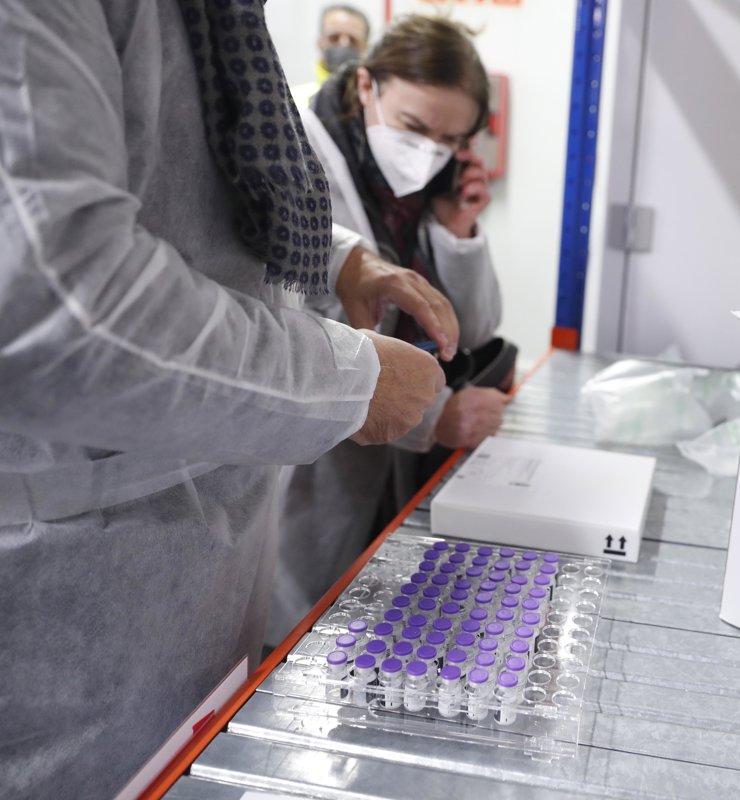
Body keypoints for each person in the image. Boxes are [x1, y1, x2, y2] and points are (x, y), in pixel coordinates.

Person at [0, 1, 461, 796]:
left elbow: (191, 196)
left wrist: (337, 259)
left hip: (201, 573)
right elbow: (58, 304)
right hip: (75, 589)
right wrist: (349, 383)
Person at [267, 15, 511, 645]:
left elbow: (473, 327)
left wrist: (457, 231)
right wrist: (435, 416)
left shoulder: (420, 193)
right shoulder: (297, 151)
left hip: (375, 477)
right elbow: (292, 331)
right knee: (285, 643)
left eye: (450, 139)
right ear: (366, 85)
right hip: (301, 473)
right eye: (415, 128)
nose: (428, 152)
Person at [293, 4, 372, 109]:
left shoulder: (374, 102)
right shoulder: (292, 102)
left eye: (353, 40)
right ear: (320, 41)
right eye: (334, 38)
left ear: (366, 47)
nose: (343, 44)